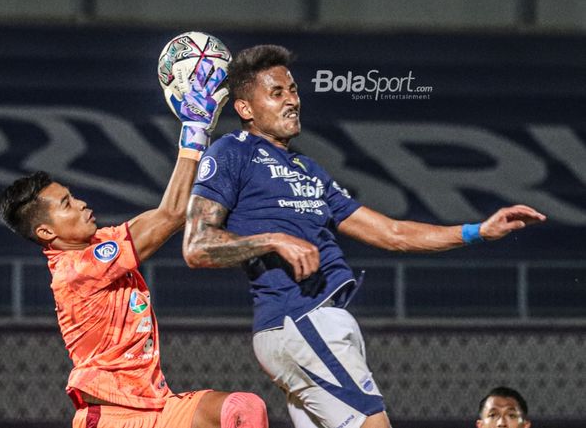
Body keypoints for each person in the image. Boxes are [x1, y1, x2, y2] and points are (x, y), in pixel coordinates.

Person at [182, 45, 547, 428]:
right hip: (300, 320)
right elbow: (197, 247)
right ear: (245, 109)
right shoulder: (232, 153)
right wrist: (274, 240)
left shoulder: (308, 170)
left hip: (318, 324)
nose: (292, 101)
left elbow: (393, 233)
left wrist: (478, 232)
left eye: (293, 90)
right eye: (277, 93)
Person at [0, 59, 268, 428]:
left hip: (158, 406)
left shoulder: (103, 241)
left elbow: (165, 213)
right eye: (66, 205)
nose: (81, 204)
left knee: (242, 409)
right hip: (110, 415)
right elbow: (172, 216)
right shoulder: (76, 270)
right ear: (46, 232)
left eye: (73, 196)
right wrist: (194, 131)